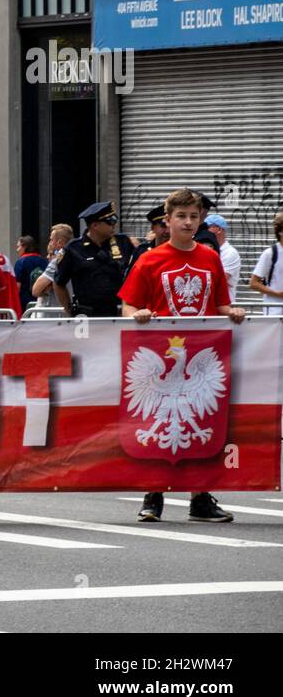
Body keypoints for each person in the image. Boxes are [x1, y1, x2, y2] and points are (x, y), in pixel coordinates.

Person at [120, 188, 244, 524]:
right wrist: (138, 315)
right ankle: (153, 496)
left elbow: (219, 303)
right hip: (164, 352)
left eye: (194, 216)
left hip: (203, 353)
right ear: (168, 220)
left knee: (203, 422)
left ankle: (200, 498)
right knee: (158, 422)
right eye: (181, 216)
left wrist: (232, 311)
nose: (188, 222)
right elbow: (128, 304)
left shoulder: (210, 257)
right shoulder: (149, 259)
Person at [53, 201, 135, 317]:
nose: (114, 224)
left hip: (120, 315)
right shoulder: (73, 249)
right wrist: (70, 310)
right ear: (95, 225)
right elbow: (58, 283)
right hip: (89, 317)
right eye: (110, 222)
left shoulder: (123, 243)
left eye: (114, 220)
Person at [31, 223, 75, 307]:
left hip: (52, 314)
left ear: (59, 243)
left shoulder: (58, 261)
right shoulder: (76, 256)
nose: (50, 243)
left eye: (51, 240)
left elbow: (35, 290)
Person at [249, 212, 283, 316]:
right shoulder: (271, 253)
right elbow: (253, 283)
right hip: (274, 312)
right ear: (281, 232)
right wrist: (277, 294)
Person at [203, 215, 240, 301]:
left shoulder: (230, 253)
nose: (204, 231)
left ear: (219, 229)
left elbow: (218, 281)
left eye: (208, 227)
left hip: (224, 305)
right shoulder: (205, 249)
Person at [128, 203, 170, 269]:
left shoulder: (182, 251)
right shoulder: (141, 252)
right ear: (153, 228)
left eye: (171, 226)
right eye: (163, 226)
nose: (168, 231)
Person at [13, 235, 48, 311]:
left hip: (25, 303)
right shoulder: (44, 261)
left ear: (25, 247)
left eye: (18, 246)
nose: (17, 250)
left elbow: (17, 286)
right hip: (42, 301)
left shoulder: (20, 262)